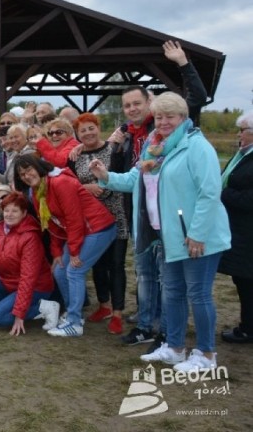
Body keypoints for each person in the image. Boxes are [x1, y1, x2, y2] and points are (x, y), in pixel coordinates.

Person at [92, 92, 230, 370]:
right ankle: (175, 347)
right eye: (158, 117)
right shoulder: (155, 146)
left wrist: (197, 234)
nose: (164, 122)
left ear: (183, 118)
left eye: (170, 116)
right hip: (167, 236)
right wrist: (106, 177)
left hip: (195, 238)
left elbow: (209, 193)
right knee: (174, 293)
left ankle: (206, 354)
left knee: (198, 294)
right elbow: (135, 179)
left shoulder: (196, 147)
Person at [13, 154, 116, 337]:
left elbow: (74, 219)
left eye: (29, 170)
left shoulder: (60, 183)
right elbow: (51, 224)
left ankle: (75, 323)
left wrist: (74, 252)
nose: (27, 176)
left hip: (97, 228)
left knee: (74, 271)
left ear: (39, 166)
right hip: (79, 231)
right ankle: (72, 312)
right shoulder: (38, 191)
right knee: (60, 270)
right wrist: (57, 252)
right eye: (22, 174)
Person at [69, 113, 129, 335]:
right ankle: (104, 305)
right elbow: (71, 185)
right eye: (83, 130)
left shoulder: (114, 150)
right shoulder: (74, 156)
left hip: (116, 213)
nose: (88, 133)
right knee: (98, 264)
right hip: (92, 220)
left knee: (116, 264)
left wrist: (101, 187)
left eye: (91, 128)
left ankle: (118, 313)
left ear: (98, 127)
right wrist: (87, 189)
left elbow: (122, 176)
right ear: (77, 134)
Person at [0, 193, 55, 335]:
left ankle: (44, 307)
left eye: (14, 211)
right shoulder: (0, 229)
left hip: (36, 287)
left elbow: (28, 278)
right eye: (6, 210)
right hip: (11, 282)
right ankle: (9, 304)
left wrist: (20, 314)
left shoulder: (30, 237)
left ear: (24, 213)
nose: (9, 214)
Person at [218, 110, 253, 344]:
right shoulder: (242, 154)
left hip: (248, 230)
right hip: (238, 228)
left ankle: (248, 328)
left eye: (243, 131)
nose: (239, 134)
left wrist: (223, 194)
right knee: (242, 280)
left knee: (248, 280)